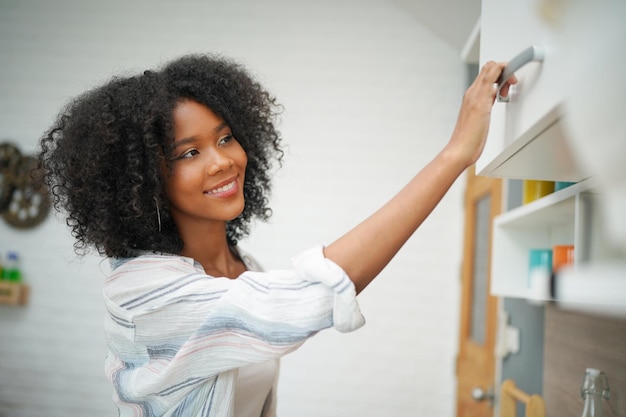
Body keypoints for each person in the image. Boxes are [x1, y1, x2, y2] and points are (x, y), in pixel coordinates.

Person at [37, 54, 515, 417]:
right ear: (143, 181)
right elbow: (310, 295)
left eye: (225, 138)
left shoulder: (246, 270)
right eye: (188, 153)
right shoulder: (140, 295)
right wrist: (455, 154)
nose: (222, 160)